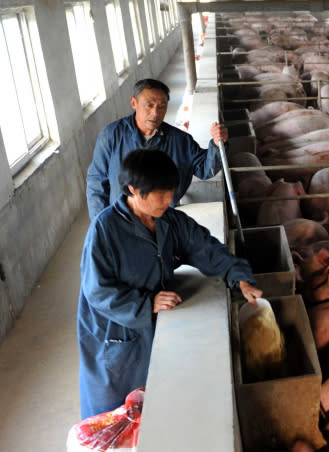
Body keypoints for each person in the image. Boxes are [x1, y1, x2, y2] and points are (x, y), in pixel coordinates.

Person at [77, 148, 262, 419]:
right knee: (115, 415)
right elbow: (97, 291)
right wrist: (146, 304)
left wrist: (239, 277)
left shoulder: (169, 220)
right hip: (116, 331)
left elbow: (205, 248)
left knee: (155, 404)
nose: (169, 199)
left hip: (150, 322)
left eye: (171, 191)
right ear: (133, 190)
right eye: (160, 194)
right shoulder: (105, 231)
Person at [86, 78, 229, 220]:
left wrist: (217, 145)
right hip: (123, 219)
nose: (155, 113)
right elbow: (97, 182)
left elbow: (205, 169)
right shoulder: (112, 135)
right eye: (149, 105)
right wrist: (102, 222)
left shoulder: (180, 140)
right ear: (134, 103)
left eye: (161, 106)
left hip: (163, 220)